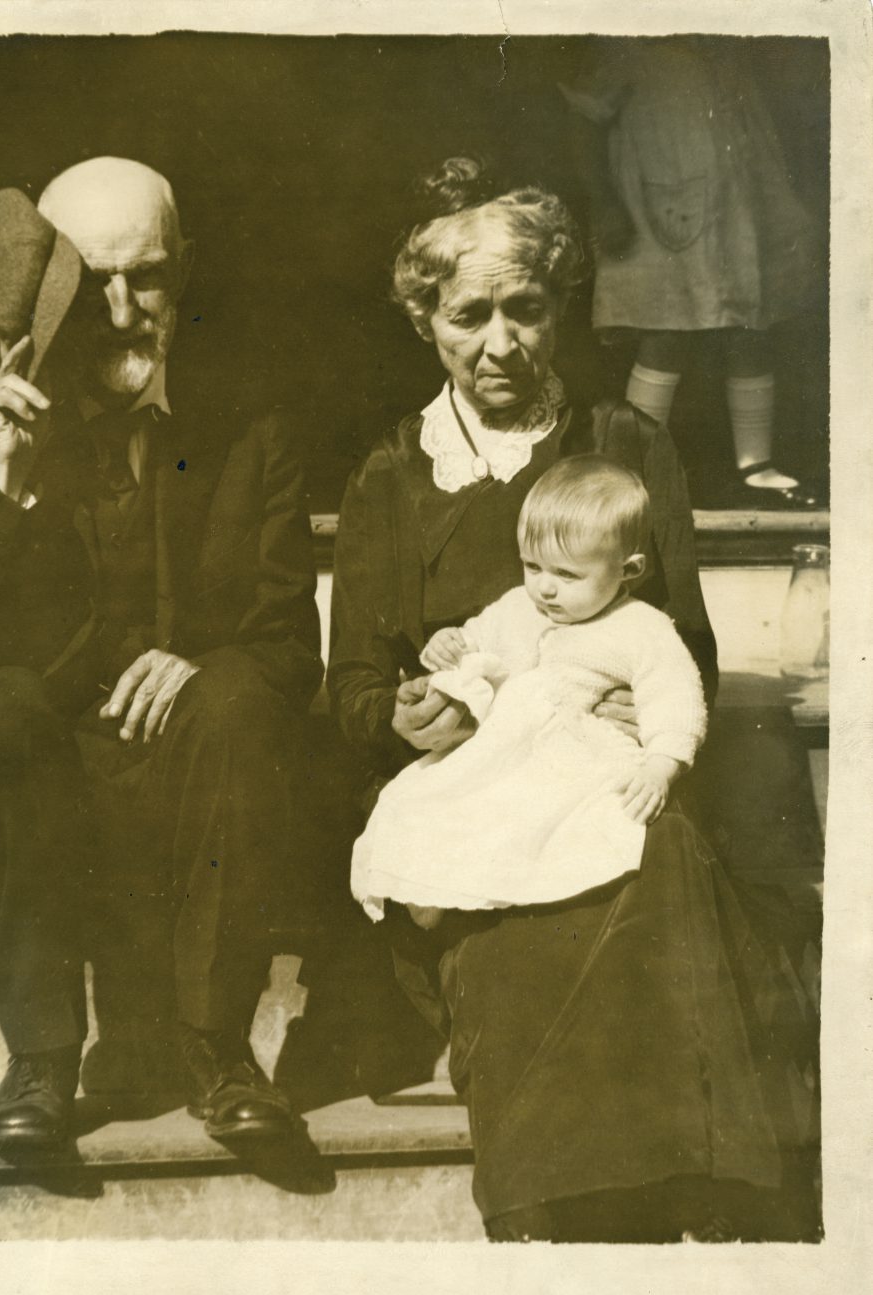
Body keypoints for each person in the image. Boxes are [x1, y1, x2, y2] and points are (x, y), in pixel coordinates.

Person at [327, 157, 818, 1241]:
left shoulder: (624, 442)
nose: (501, 342)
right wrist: (402, 711)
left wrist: (629, 715)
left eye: (527, 310)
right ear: (426, 321)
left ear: (560, 310)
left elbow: (682, 644)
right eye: (470, 315)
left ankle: (688, 1213)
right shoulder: (392, 473)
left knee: (660, 852)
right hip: (468, 808)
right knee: (527, 946)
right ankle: (571, 1226)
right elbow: (351, 687)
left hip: (605, 776)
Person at [0, 159, 323, 1152]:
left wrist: (198, 663)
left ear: (183, 271)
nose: (120, 312)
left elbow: (291, 644)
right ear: (47, 288)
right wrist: (3, 476)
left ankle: (218, 1049)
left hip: (187, 774)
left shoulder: (252, 426)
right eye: (92, 281)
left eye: (145, 276)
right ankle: (40, 1058)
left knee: (241, 695)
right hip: (41, 778)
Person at [351, 456, 706, 929]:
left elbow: (677, 698)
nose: (545, 589)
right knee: (423, 794)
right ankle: (426, 884)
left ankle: (486, 892)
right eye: (532, 566)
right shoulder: (518, 606)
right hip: (501, 747)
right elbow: (476, 640)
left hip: (575, 759)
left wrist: (661, 766)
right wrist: (448, 646)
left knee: (537, 820)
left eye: (567, 575)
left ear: (629, 569)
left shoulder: (642, 628)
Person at [562, 37, 822, 507]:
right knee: (666, 333)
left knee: (750, 328)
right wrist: (604, 201)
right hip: (662, 213)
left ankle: (755, 464)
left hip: (740, 211)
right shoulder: (631, 45)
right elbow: (583, 118)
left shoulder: (729, 46)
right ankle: (633, 466)